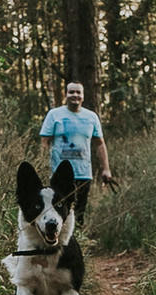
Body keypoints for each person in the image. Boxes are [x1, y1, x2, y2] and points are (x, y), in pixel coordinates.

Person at [39, 82, 113, 223]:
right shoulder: (54, 115)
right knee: (59, 212)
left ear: (83, 96)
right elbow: (44, 142)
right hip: (59, 174)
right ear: (66, 95)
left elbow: (100, 143)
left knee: (79, 214)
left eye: (78, 92)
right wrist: (42, 166)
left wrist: (106, 169)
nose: (75, 95)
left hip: (83, 174)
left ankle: (78, 236)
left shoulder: (91, 117)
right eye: (71, 92)